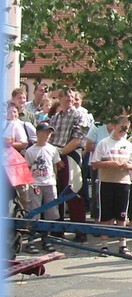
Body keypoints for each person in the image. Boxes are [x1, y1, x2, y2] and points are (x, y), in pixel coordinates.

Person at [91, 115, 132, 255]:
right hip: (106, 181)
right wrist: (109, 164)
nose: (124, 131)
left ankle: (122, 244)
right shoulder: (104, 143)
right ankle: (104, 245)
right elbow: (94, 163)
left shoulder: (128, 144)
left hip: (123, 182)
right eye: (122, 127)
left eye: (127, 128)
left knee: (122, 215)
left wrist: (127, 165)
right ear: (115, 126)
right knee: (105, 214)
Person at [49, 87, 90, 241]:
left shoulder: (79, 114)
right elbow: (50, 139)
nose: (70, 99)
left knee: (73, 192)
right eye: (66, 96)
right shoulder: (55, 117)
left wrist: (60, 154)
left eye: (71, 96)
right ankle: (57, 230)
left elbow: (77, 140)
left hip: (71, 155)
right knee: (56, 193)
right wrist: (54, 157)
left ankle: (80, 231)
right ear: (60, 99)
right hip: (55, 156)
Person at [22, 122, 60, 253]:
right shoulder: (30, 151)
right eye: (45, 132)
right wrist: (30, 183)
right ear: (38, 133)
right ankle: (31, 240)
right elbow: (27, 168)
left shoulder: (52, 149)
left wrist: (54, 180)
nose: (47, 135)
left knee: (51, 212)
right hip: (36, 183)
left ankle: (46, 239)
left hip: (49, 183)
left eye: (49, 132)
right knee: (34, 212)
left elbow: (55, 166)